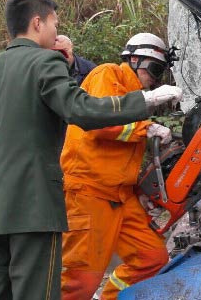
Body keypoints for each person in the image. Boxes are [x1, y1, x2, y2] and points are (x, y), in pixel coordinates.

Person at [0, 0, 183, 300]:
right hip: (37, 207)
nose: (58, 33)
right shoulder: (45, 61)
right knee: (43, 291)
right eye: (54, 24)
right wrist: (146, 103)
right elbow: (81, 111)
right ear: (37, 23)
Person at [60, 33, 176, 300]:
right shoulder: (107, 74)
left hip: (121, 196)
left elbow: (121, 155)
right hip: (89, 191)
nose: (155, 78)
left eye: (161, 72)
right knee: (79, 281)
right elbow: (101, 125)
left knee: (152, 258)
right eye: (154, 69)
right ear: (134, 59)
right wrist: (146, 129)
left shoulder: (135, 98)